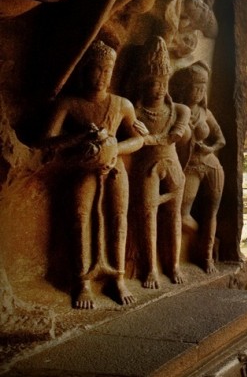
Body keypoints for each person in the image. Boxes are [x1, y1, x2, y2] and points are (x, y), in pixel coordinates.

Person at [43, 40, 146, 309]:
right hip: (83, 167)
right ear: (84, 71)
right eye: (96, 70)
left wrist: (113, 149)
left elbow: (138, 140)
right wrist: (80, 139)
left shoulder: (122, 105)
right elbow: (46, 141)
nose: (101, 77)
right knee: (79, 217)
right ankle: (82, 280)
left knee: (118, 218)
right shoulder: (70, 104)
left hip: (114, 169)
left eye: (107, 71)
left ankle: (118, 276)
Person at [128, 36, 190, 289]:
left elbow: (175, 135)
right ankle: (150, 267)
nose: (160, 88)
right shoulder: (135, 111)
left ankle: (173, 265)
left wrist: (149, 138)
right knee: (147, 216)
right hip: (147, 169)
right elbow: (133, 140)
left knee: (173, 215)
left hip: (172, 165)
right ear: (144, 85)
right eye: (154, 83)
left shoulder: (180, 110)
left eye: (164, 83)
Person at [170, 60, 225, 273]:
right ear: (185, 88)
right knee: (182, 214)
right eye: (195, 86)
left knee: (212, 212)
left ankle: (206, 255)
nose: (199, 92)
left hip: (211, 165)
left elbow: (221, 140)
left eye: (203, 87)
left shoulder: (205, 114)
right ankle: (205, 240)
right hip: (188, 166)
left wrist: (209, 148)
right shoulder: (176, 111)